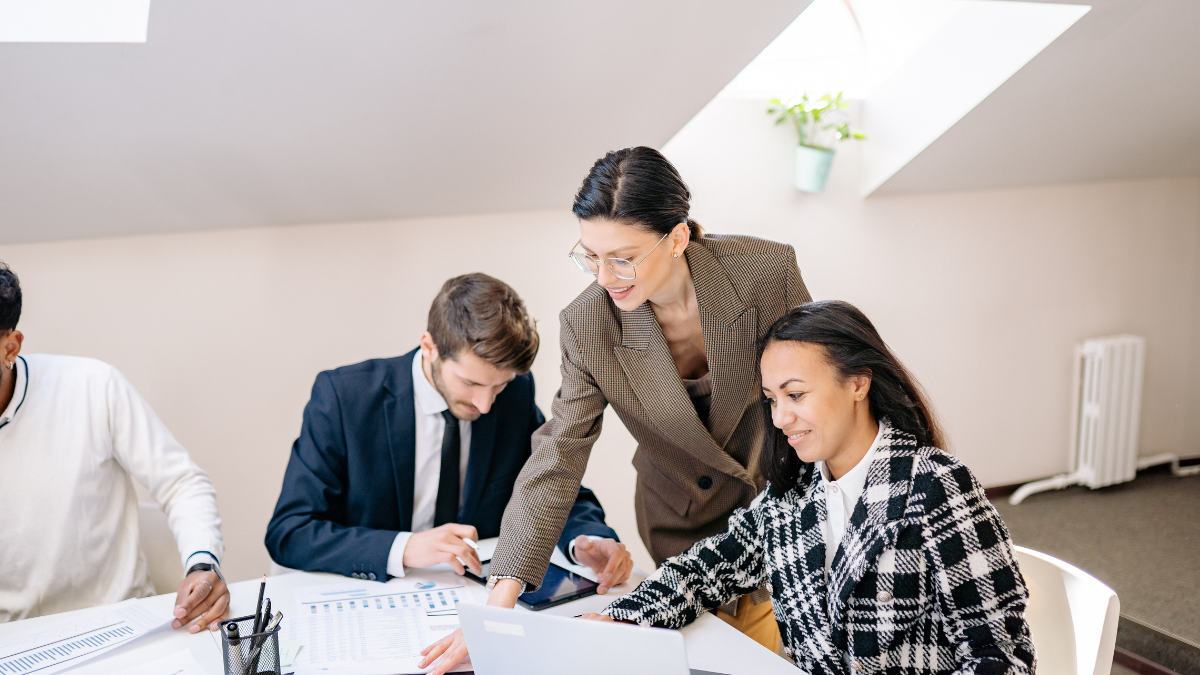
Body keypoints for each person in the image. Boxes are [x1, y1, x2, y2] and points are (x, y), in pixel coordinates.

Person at [420, 147, 812, 673]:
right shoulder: (588, 325)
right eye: (590, 255)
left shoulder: (764, 272)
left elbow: (814, 387)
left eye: (623, 257)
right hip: (682, 519)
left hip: (782, 498)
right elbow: (558, 457)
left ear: (677, 238)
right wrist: (496, 615)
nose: (604, 277)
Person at [585, 300, 1036, 675]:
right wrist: (619, 617)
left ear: (858, 383)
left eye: (795, 395)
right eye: (772, 399)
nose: (780, 419)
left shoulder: (937, 486)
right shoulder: (790, 494)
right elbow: (702, 572)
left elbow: (1001, 658)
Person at [265, 273, 631, 585]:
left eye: (498, 386)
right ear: (430, 347)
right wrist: (405, 547)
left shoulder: (515, 395)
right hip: (372, 596)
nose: (485, 405)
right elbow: (290, 532)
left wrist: (586, 538)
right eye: (471, 383)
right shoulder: (344, 398)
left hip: (470, 597)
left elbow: (553, 485)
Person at [0, 263, 229, 632]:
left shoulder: (93, 386)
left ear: (10, 348)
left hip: (119, 630)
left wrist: (203, 564)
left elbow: (182, 482)